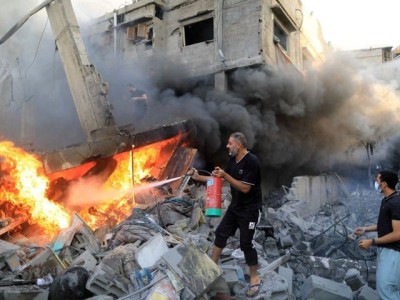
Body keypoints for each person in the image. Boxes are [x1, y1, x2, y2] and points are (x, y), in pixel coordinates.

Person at [190, 132, 263, 297]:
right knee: (221, 233)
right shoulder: (233, 161)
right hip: (235, 207)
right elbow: (219, 180)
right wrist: (197, 176)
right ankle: (212, 269)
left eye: (230, 143)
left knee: (246, 243)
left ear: (238, 145)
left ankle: (254, 278)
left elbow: (245, 188)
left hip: (250, 210)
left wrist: (226, 175)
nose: (227, 146)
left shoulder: (252, 161)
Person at [354, 170, 400, 299]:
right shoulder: (387, 200)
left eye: (377, 180)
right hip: (386, 251)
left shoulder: (395, 203)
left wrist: (372, 242)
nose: (376, 182)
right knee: (389, 290)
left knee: (386, 291)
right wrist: (365, 229)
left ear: (384, 184)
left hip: (394, 254)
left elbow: (398, 234)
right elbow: (385, 226)